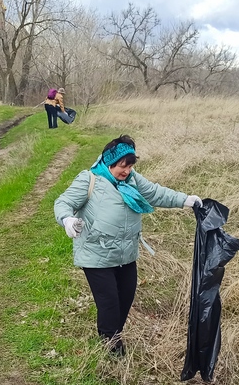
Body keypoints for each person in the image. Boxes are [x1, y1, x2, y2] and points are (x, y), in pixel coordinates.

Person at [53, 135, 202, 356]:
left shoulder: (132, 180)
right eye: (123, 166)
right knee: (110, 303)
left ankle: (112, 335)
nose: (127, 171)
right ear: (109, 162)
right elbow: (63, 202)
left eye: (131, 165)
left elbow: (156, 193)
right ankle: (112, 348)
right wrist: (67, 219)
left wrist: (186, 200)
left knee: (125, 298)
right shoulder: (90, 179)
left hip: (126, 254)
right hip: (96, 254)